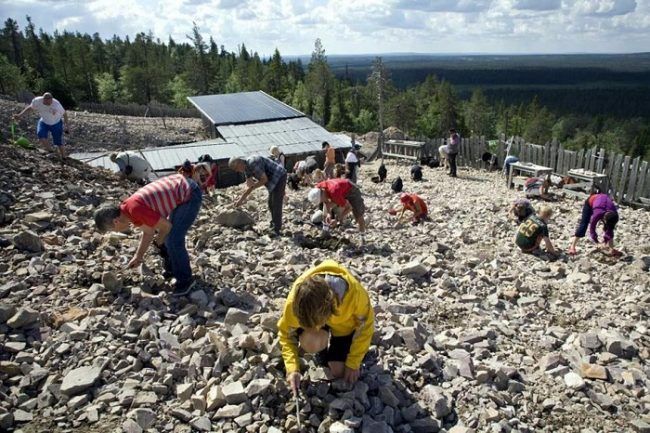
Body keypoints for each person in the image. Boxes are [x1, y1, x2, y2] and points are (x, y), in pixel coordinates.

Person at [93, 173, 202, 295]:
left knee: (172, 240)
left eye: (112, 230)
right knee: (165, 238)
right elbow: (149, 232)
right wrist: (138, 257)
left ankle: (185, 280)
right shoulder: (128, 211)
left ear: (116, 221)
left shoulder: (135, 210)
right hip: (179, 188)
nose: (116, 232)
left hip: (189, 192)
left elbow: (166, 226)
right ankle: (172, 269)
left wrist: (159, 239)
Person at [277, 259, 375, 393]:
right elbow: (286, 334)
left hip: (344, 326)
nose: (314, 329)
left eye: (314, 325)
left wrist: (354, 363)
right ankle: (321, 352)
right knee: (311, 342)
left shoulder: (355, 296)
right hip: (320, 316)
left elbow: (365, 328)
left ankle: (342, 352)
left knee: (339, 372)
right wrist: (292, 369)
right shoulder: (296, 301)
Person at [229, 156, 287, 236]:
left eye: (236, 168)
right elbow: (250, 186)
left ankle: (276, 229)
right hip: (272, 180)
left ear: (240, 163)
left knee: (276, 203)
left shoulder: (253, 163)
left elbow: (264, 179)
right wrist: (240, 200)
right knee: (270, 203)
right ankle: (273, 224)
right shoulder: (247, 169)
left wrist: (253, 187)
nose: (237, 171)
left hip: (279, 176)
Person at [13, 92, 70, 158]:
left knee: (58, 141)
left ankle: (64, 157)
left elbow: (64, 114)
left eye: (50, 102)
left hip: (56, 123)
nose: (49, 103)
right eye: (47, 102)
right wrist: (20, 115)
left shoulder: (56, 104)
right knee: (41, 134)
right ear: (43, 99)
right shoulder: (37, 101)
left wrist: (67, 126)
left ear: (52, 99)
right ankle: (51, 152)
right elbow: (30, 108)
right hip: (44, 121)